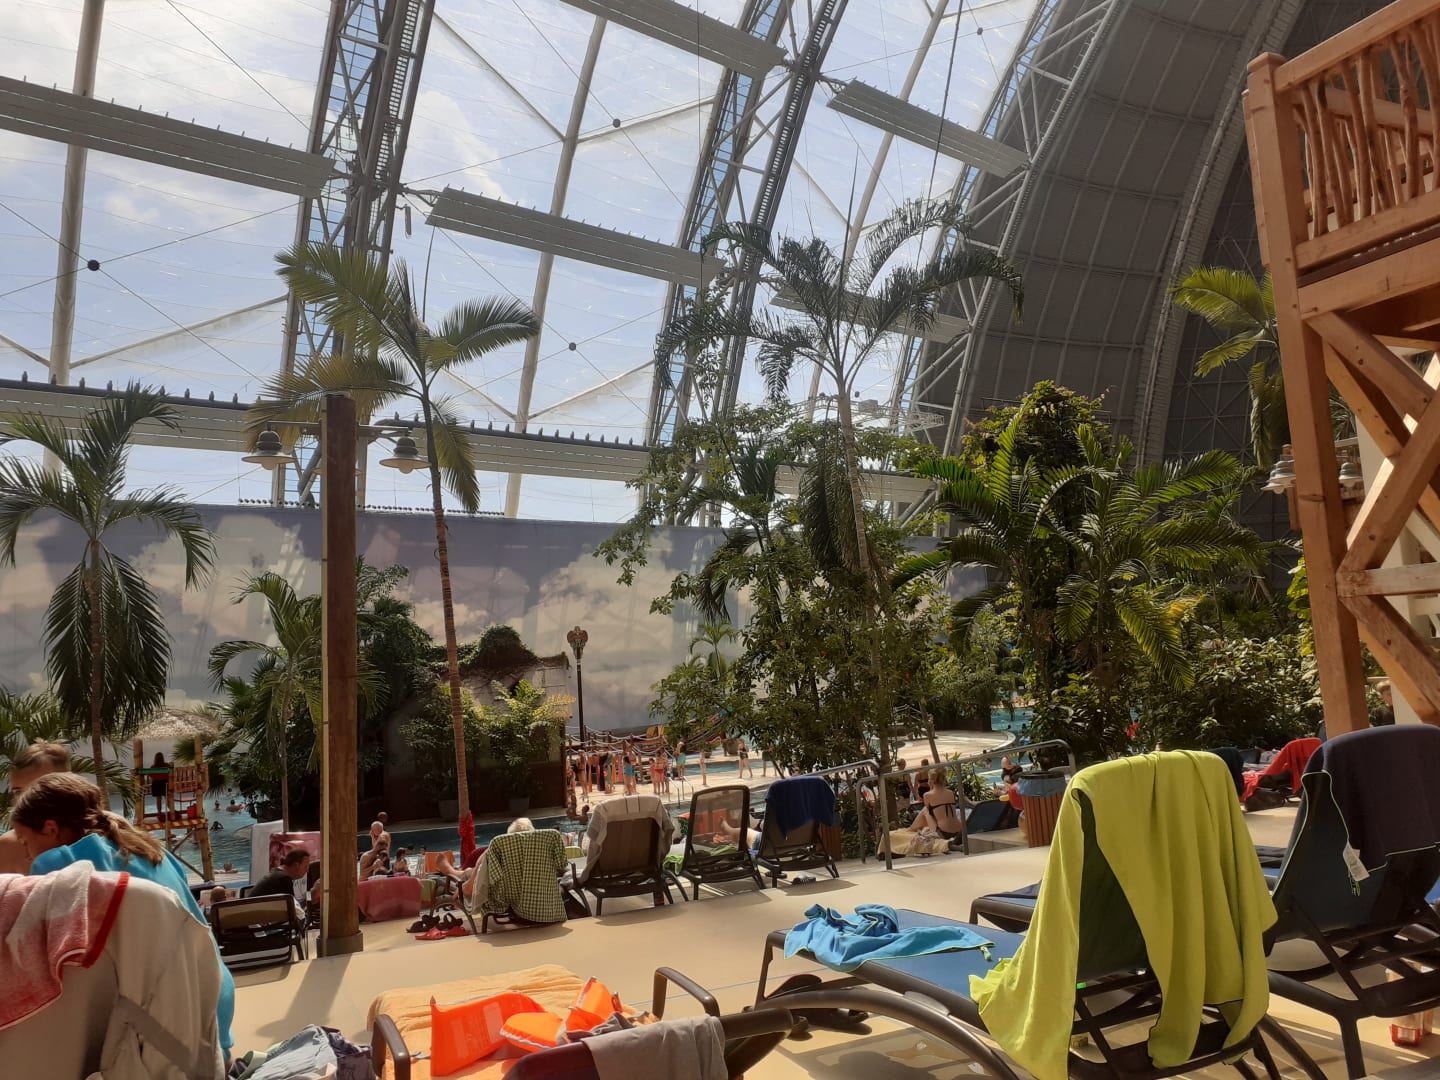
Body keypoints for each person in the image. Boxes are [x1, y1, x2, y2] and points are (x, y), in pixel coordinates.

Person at [12, 772, 236, 1061]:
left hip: (168, 1035)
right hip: (215, 1007)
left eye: (25, 842)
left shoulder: (56, 863)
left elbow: (44, 962)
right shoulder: (150, 848)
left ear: (50, 828)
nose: (27, 855)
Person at [0, 741, 70, 874]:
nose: (27, 798)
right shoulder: (7, 846)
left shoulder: (103, 832)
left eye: (38, 789)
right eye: (18, 792)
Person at [908, 768, 964, 846]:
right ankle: (911, 829)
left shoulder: (927, 795)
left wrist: (930, 788)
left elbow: (931, 815)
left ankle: (910, 830)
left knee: (925, 810)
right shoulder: (950, 793)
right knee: (931, 811)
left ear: (931, 781)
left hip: (943, 833)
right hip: (958, 831)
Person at [148, 750, 171, 816]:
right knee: (167, 798)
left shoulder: (153, 767)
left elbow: (151, 775)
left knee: (158, 799)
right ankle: (171, 810)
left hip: (156, 784)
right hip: (165, 784)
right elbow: (170, 773)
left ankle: (159, 812)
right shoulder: (166, 765)